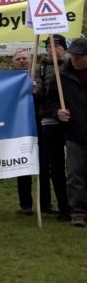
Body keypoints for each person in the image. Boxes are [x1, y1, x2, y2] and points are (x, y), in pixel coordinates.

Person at [49, 38, 87, 227]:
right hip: (75, 132)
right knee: (75, 173)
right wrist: (57, 111)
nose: (75, 60)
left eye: (80, 57)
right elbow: (50, 101)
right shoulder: (60, 75)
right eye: (73, 56)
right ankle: (78, 212)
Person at [34, 35, 71, 221]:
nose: (52, 49)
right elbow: (41, 98)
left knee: (75, 167)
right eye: (48, 46)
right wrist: (33, 89)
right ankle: (64, 207)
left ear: (64, 48)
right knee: (55, 167)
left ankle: (78, 204)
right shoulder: (40, 68)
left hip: (73, 124)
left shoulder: (73, 66)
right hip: (50, 122)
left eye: (56, 45)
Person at [11, 49, 42, 216]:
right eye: (18, 59)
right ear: (13, 62)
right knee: (22, 166)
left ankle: (45, 203)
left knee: (43, 164)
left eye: (25, 58)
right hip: (19, 128)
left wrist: (36, 91)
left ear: (31, 60)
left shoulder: (39, 76)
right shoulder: (8, 81)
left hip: (40, 124)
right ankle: (26, 205)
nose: (22, 60)